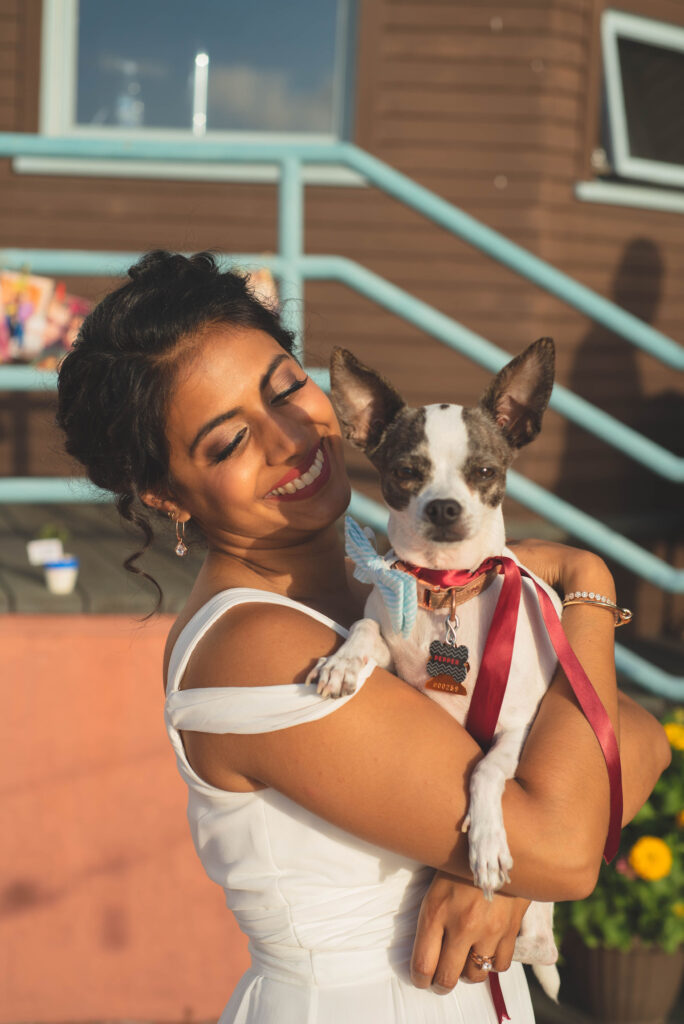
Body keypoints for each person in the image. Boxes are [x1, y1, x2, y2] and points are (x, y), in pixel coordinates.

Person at [56, 251, 670, 1024]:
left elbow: (640, 744)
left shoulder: (379, 566)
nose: (288, 438)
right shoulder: (251, 649)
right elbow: (565, 842)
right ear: (164, 495)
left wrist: (507, 869)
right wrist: (589, 580)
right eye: (226, 443)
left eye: (285, 388)